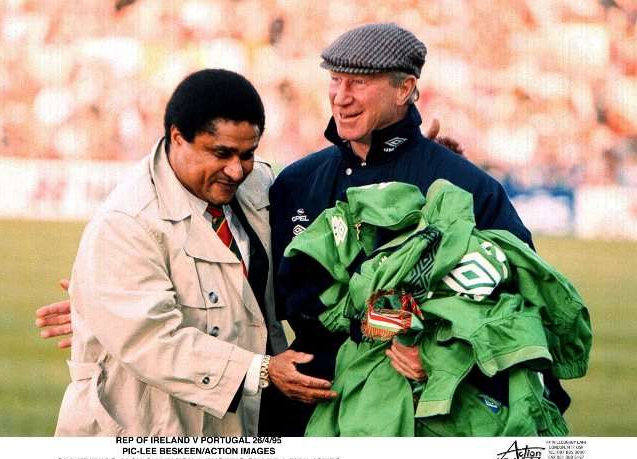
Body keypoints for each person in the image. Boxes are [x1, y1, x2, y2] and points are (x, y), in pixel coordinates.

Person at [269, 22, 570, 433]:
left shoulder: (467, 186)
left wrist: (438, 356)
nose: (341, 98)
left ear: (404, 88)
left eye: (358, 82)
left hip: (421, 417)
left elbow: (519, 302)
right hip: (309, 408)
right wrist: (268, 368)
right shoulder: (297, 182)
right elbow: (271, 301)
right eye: (335, 81)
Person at [51, 69, 336, 436]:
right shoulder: (126, 222)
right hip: (143, 431)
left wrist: (415, 154)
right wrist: (261, 370)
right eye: (221, 153)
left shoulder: (258, 185)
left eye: (247, 154)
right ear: (177, 138)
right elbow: (154, 340)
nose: (236, 170)